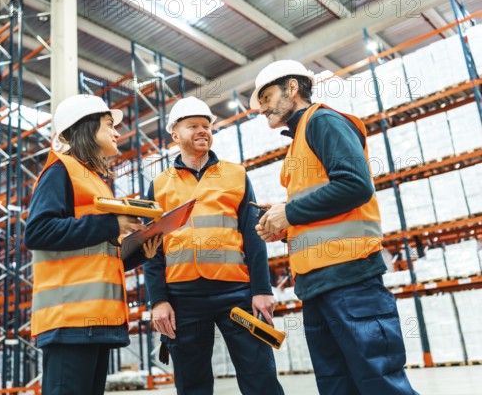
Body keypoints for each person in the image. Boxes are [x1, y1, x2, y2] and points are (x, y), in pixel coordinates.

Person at [252, 60, 417, 395]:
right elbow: (320, 203)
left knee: (378, 380)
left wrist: (291, 212)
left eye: (267, 97)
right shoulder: (300, 139)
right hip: (316, 285)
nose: (261, 108)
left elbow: (355, 186)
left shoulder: (323, 121)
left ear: (293, 88)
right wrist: (282, 221)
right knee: (336, 385)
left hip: (351, 279)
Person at [144, 96, 284, 395]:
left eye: (206, 126)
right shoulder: (158, 185)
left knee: (259, 375)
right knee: (192, 383)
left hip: (236, 292)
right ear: (175, 134)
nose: (202, 131)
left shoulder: (235, 175)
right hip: (182, 298)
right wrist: (158, 300)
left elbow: (254, 235)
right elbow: (152, 249)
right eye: (192, 125)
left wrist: (262, 290)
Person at [24, 94, 161, 395]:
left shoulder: (95, 180)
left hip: (96, 321)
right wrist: (113, 224)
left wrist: (138, 250)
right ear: (85, 128)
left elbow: (95, 254)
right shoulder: (60, 171)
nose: (117, 132)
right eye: (109, 125)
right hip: (69, 321)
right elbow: (37, 232)